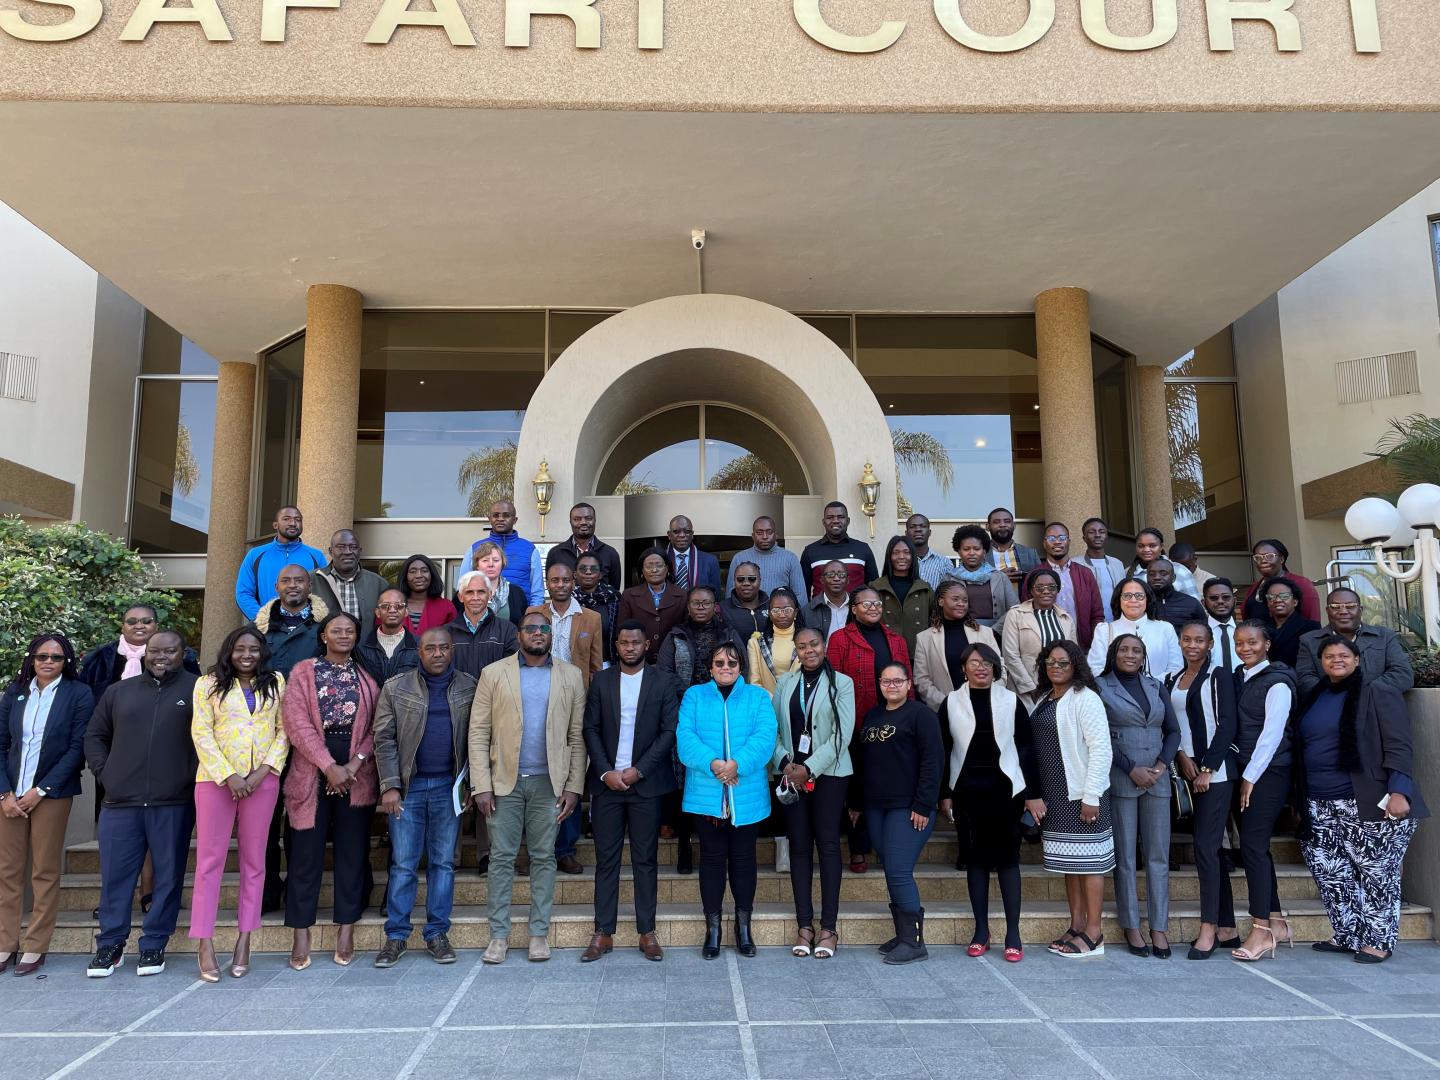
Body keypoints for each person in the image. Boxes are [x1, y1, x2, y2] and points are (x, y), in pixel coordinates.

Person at [1294, 635, 1429, 963]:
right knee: (1331, 873)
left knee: (1377, 873)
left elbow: (1399, 745)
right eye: (1328, 656)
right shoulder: (1315, 695)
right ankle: (1347, 935)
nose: (1335, 660)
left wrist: (1400, 790)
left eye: (1343, 655)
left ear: (1357, 661)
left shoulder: (1378, 692)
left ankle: (1379, 941)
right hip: (1319, 803)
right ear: (1321, 662)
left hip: (1369, 801)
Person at [470, 608, 586, 964]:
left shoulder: (571, 675)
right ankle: (499, 936)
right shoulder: (494, 673)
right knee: (502, 858)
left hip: (548, 783)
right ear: (518, 634)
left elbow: (576, 737)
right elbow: (478, 732)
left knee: (543, 857)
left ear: (552, 635)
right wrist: (481, 785)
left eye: (544, 628)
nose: (537, 633)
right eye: (530, 628)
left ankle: (538, 933)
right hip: (503, 782)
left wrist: (573, 787)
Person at [84, 630, 198, 978]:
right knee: (116, 877)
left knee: (167, 877)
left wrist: (188, 775)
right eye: (154, 651)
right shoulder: (119, 692)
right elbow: (94, 736)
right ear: (145, 654)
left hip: (173, 801)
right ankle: (110, 945)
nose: (161, 656)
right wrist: (107, 774)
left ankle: (153, 944)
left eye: (170, 650)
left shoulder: (199, 689)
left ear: (182, 653)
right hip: (121, 803)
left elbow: (208, 737)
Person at [281, 611, 379, 970]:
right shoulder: (303, 672)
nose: (343, 635)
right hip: (312, 769)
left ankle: (346, 928)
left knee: (352, 854)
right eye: (336, 630)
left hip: (356, 774)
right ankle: (301, 931)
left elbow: (374, 727)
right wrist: (327, 766)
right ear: (323, 635)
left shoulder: (366, 677)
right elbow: (295, 722)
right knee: (305, 854)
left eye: (349, 631)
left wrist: (352, 765)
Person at [372, 627, 475, 969]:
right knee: (403, 863)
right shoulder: (396, 688)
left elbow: (479, 737)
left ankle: (436, 934)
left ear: (452, 650)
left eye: (444, 648)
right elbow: (383, 739)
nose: (438, 654)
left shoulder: (468, 687)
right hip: (409, 789)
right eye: (430, 648)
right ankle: (396, 936)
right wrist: (389, 785)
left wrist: (471, 785)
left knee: (443, 863)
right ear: (419, 651)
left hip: (449, 787)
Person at [189, 626, 287, 981]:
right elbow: (201, 732)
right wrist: (229, 775)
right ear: (229, 652)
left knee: (254, 861)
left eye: (254, 649)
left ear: (262, 652)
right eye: (240, 649)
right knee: (209, 862)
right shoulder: (208, 684)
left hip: (262, 781)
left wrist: (262, 772)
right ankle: (204, 940)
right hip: (216, 781)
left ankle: (245, 938)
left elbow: (284, 730)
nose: (247, 655)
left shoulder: (275, 682)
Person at [581, 622, 681, 963]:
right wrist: (606, 771)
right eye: (624, 642)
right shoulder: (602, 680)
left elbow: (669, 731)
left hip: (646, 785)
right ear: (617, 646)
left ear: (645, 646)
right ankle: (603, 933)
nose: (629, 647)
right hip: (607, 785)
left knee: (645, 859)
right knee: (606, 860)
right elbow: (590, 728)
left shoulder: (663, 682)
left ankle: (646, 932)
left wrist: (639, 770)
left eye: (635, 642)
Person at [939, 643, 1042, 963]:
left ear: (996, 667)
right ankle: (981, 931)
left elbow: (1026, 747)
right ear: (963, 668)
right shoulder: (951, 702)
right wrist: (944, 793)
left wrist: (1033, 793)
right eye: (973, 663)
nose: (980, 667)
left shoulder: (1011, 700)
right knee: (976, 861)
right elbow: (943, 749)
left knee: (1008, 862)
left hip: (1006, 790)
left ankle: (1013, 934)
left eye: (986, 662)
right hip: (967, 790)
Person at [676, 642, 776, 960]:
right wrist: (715, 764)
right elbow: (685, 737)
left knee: (745, 861)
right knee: (712, 861)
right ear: (710, 667)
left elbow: (765, 737)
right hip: (708, 795)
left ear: (741, 666)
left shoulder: (758, 697)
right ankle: (714, 929)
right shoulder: (694, 696)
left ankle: (743, 928)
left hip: (746, 794)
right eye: (719, 662)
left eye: (732, 662)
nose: (726, 667)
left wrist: (737, 765)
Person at [0, 634, 93, 977]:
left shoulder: (78, 694)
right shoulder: (16, 692)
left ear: (66, 660)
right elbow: (1, 743)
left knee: (44, 870)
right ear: (32, 659)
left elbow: (76, 747)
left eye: (56, 656)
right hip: (9, 796)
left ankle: (36, 945)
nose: (48, 662)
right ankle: (5, 942)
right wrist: (5, 794)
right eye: (41, 656)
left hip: (51, 794)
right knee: (7, 871)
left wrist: (41, 790)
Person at [1095, 634, 1180, 959]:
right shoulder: (1101, 687)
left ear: (1144, 655)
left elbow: (1173, 731)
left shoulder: (1156, 686)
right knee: (1126, 857)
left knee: (1158, 857)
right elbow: (1100, 734)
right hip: (1122, 777)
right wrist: (1131, 768)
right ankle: (1132, 925)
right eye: (1124, 649)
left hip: (1156, 779)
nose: (1130, 655)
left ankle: (1159, 927)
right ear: (1114, 653)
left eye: (1137, 650)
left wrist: (1161, 765)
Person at [772, 627, 854, 959]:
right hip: (791, 774)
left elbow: (842, 734)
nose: (809, 650)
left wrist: (810, 768)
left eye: (814, 644)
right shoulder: (785, 683)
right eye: (802, 646)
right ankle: (804, 925)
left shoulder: (841, 683)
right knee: (799, 847)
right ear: (796, 650)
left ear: (824, 646)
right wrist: (784, 761)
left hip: (829, 774)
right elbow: (773, 728)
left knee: (828, 845)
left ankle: (829, 928)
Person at [851, 662, 940, 965]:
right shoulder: (873, 716)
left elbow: (933, 762)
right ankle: (902, 933)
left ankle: (914, 942)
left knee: (900, 870)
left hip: (908, 807)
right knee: (890, 868)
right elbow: (864, 764)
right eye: (886, 682)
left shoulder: (921, 716)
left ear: (908, 683)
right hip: (877, 807)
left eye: (897, 681)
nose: (891, 686)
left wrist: (923, 804)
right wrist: (857, 802)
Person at [1029, 640, 1113, 958]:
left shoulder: (1085, 698)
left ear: (1076, 665)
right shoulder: (1046, 698)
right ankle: (1076, 925)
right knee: (1071, 864)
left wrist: (1091, 796)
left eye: (1063, 662)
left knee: (1090, 865)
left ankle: (1094, 933)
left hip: (1081, 795)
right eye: (1050, 661)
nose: (1056, 667)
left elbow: (1101, 749)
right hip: (1055, 797)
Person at [1166, 621, 1242, 959]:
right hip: (1187, 769)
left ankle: (1208, 927)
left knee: (1205, 849)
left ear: (1210, 643)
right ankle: (1228, 927)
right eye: (1187, 639)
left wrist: (1208, 768)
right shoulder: (1174, 678)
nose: (1192, 645)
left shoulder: (1219, 675)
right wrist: (1182, 757)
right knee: (1210, 851)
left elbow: (1228, 724)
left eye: (1199, 640)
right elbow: (1174, 725)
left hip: (1217, 773)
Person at [826, 586, 912, 875]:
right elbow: (833, 684)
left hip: (893, 724)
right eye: (867, 603)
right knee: (858, 788)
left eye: (878, 603)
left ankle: (889, 845)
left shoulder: (896, 640)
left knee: (888, 783)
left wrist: (909, 717)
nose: (874, 607)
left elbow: (906, 679)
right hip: (857, 725)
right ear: (854, 608)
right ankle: (859, 847)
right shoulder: (840, 639)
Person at [1230, 620, 1297, 962]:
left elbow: (1271, 736)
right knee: (1257, 847)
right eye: (1239, 642)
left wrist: (1250, 778)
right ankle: (1278, 921)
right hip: (1247, 771)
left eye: (1252, 642)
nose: (1245, 648)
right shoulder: (1240, 677)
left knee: (1254, 848)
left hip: (1268, 773)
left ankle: (1260, 930)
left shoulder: (1278, 683)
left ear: (1267, 644)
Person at [543, 557, 603, 875]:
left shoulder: (591, 618)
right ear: (548, 583)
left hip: (576, 704)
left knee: (570, 775)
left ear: (573, 582)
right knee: (542, 776)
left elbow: (595, 667)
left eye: (566, 580)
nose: (561, 585)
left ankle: (565, 849)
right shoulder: (533, 615)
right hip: (539, 702)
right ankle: (541, 847)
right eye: (555, 580)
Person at [1296, 587, 1415, 695]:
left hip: (1376, 707)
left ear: (1360, 609)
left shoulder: (1384, 637)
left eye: (1350, 606)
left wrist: (1363, 693)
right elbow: (1305, 678)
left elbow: (1402, 674)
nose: (1343, 611)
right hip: (1330, 709)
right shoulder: (1309, 640)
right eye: (1335, 607)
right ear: (1327, 610)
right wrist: (1335, 696)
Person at [78, 603, 199, 705]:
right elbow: (83, 699)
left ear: (156, 626)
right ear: (122, 627)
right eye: (131, 622)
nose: (139, 626)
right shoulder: (99, 658)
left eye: (146, 621)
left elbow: (196, 694)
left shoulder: (182, 656)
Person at [914, 581, 999, 710]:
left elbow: (1000, 669)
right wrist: (949, 704)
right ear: (941, 602)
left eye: (965, 600)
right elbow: (922, 680)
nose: (961, 604)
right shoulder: (924, 638)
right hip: (946, 709)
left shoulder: (985, 633)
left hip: (986, 706)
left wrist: (986, 697)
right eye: (955, 599)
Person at [1001, 567, 1077, 709]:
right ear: (1031, 590)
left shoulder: (1066, 618)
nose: (1046, 591)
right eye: (1040, 588)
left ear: (1058, 590)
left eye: (1052, 587)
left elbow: (1073, 656)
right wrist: (1030, 688)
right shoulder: (1016, 615)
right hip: (1026, 690)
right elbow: (1010, 655)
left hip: (1060, 688)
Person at [235, 505, 327, 620]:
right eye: (286, 519)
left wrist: (313, 620)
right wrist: (263, 619)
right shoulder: (255, 555)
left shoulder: (316, 556)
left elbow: (325, 593)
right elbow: (243, 593)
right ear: (275, 525)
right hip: (267, 629)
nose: (293, 523)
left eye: (297, 519)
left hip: (306, 627)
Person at [1026, 522, 1104, 649]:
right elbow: (1026, 613)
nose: (1057, 542)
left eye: (1062, 538)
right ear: (1044, 543)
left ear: (1069, 541)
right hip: (1046, 646)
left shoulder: (1085, 573)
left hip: (1081, 646)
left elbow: (1097, 614)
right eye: (1051, 538)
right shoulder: (1034, 575)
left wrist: (1095, 644)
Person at [1088, 578, 1182, 680]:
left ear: (1148, 599)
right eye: (1127, 596)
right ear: (1118, 600)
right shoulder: (1104, 630)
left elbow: (1176, 667)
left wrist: (1150, 684)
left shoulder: (1165, 628)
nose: (1133, 600)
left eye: (1139, 596)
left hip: (1158, 691)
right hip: (1115, 693)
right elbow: (1095, 668)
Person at [462, 498, 542, 607]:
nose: (500, 519)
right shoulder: (475, 548)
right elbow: (463, 586)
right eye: (496, 515)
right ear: (489, 519)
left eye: (506, 515)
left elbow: (537, 592)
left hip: (520, 617)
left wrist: (532, 615)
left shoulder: (529, 549)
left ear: (515, 520)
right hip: (481, 614)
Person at [616, 546, 687, 662]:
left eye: (659, 565)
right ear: (642, 572)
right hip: (638, 659)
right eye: (649, 566)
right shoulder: (629, 595)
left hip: (672, 659)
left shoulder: (682, 595)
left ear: (667, 568)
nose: (654, 570)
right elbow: (622, 630)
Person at [256, 564, 329, 677]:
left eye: (299, 580)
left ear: (310, 586)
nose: (292, 585)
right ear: (276, 587)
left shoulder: (327, 627)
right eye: (285, 581)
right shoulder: (258, 627)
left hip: (309, 693)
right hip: (268, 693)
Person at [446, 572, 520, 679]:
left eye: (481, 592)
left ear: (490, 594)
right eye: (469, 592)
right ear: (461, 597)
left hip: (495, 694)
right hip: (458, 695)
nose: (475, 597)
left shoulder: (507, 630)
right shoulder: (447, 632)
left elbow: (512, 671)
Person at [872, 535, 934, 654]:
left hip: (918, 652)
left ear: (913, 556)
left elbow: (935, 622)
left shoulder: (925, 589)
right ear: (889, 556)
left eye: (907, 552)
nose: (901, 557)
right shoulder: (875, 587)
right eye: (896, 552)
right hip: (884, 650)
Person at [800, 502, 878, 596]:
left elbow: (874, 587)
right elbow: (803, 591)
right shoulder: (810, 551)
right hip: (820, 609)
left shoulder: (863, 549)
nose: (835, 520)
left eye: (840, 517)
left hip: (856, 609)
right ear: (823, 522)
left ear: (848, 521)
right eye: (830, 517)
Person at [950, 524, 1019, 628]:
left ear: (984, 551)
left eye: (977, 549)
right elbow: (944, 611)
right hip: (961, 632)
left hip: (996, 634)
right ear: (959, 551)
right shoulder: (950, 578)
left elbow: (1015, 608)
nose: (971, 553)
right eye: (966, 549)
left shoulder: (1000, 577)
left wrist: (995, 631)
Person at [311, 529, 387, 620]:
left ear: (360, 551)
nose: (347, 552)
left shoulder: (379, 584)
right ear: (331, 551)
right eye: (341, 547)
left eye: (353, 547)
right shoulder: (312, 580)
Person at [546, 501, 622, 592]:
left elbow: (614, 588)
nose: (583, 522)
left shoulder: (610, 553)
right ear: (570, 522)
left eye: (588, 518)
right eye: (577, 519)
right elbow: (551, 585)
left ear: (595, 520)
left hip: (600, 605)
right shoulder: (556, 553)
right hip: (566, 605)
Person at [1242, 538, 1321, 622]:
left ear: (1282, 559)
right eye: (1258, 557)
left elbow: (1312, 620)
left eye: (1269, 556)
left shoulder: (1301, 584)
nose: (1263, 561)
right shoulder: (1254, 588)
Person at [725, 516, 807, 598]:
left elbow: (799, 594)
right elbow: (730, 594)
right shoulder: (739, 558)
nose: (765, 536)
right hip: (747, 610)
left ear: (776, 535)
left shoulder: (790, 558)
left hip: (779, 610)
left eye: (769, 532)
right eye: (759, 533)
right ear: (753, 536)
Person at [356, 588, 420, 686]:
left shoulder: (419, 646)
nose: (392, 610)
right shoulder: (360, 646)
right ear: (377, 612)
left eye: (399, 606)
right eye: (385, 606)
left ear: (406, 612)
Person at [746, 588, 804, 693]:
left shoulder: (807, 640)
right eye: (776, 611)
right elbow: (754, 683)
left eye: (787, 610)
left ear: (795, 613)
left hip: (800, 702)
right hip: (767, 704)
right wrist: (774, 702)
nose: (782, 615)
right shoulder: (756, 643)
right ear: (769, 614)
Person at [1259, 577, 1321, 669]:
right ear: (1267, 603)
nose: (1278, 600)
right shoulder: (1260, 629)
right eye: (1271, 597)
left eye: (1284, 596)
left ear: (1295, 602)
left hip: (1299, 680)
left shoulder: (1311, 627)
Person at [1124, 527, 1200, 600]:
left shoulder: (1180, 570)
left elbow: (1194, 604)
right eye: (1141, 546)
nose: (1146, 550)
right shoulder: (1128, 573)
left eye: (1152, 545)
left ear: (1161, 547)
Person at [466, 540, 527, 626]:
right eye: (485, 560)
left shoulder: (517, 593)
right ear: (477, 565)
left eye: (496, 560)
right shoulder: (465, 592)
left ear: (502, 564)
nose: (491, 564)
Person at [397, 554, 459, 637]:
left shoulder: (446, 607)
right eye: (413, 571)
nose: (419, 575)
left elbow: (455, 640)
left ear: (432, 575)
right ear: (405, 576)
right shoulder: (392, 606)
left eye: (424, 571)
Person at [574, 552, 619, 665]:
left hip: (606, 663)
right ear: (575, 574)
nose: (588, 572)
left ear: (600, 575)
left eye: (593, 569)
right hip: (574, 663)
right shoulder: (569, 600)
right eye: (583, 569)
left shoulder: (613, 599)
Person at [1146, 557, 1207, 632]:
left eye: (1163, 574)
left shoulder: (1191, 603)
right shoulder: (1141, 603)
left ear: (1173, 578)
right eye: (1152, 574)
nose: (1157, 577)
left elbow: (1204, 632)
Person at [665, 515, 721, 594]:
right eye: (676, 531)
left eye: (687, 531)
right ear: (669, 535)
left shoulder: (710, 560)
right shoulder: (660, 560)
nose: (682, 535)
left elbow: (716, 595)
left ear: (692, 535)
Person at [984, 507, 1040, 586]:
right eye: (996, 522)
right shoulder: (980, 554)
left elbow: (1041, 580)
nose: (1002, 525)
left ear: (1014, 525)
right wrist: (997, 578)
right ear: (987, 526)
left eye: (1007, 521)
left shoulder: (1030, 553)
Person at [1079, 518, 1127, 610]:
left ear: (1106, 536)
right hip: (1088, 622)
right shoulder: (1075, 564)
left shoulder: (1117, 564)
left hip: (1116, 620)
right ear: (1084, 538)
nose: (1097, 535)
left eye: (1101, 532)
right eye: (1092, 532)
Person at [905, 513, 958, 591]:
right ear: (906, 533)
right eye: (913, 527)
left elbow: (950, 593)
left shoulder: (944, 563)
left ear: (929, 532)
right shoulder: (901, 562)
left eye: (922, 526)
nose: (918, 529)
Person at [805, 560, 854, 643]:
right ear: (822, 580)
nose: (836, 578)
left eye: (841, 575)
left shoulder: (859, 606)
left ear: (848, 580)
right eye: (830, 575)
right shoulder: (808, 611)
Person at [720, 561, 770, 639]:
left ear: (760, 580)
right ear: (734, 581)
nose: (746, 583)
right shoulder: (722, 609)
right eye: (740, 579)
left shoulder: (772, 606)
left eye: (752, 579)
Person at [1203, 577, 1241, 674]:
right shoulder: (1197, 633)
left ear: (1235, 600)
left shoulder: (1248, 631)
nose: (1220, 601)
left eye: (1226, 597)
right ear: (1203, 603)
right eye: (1213, 598)